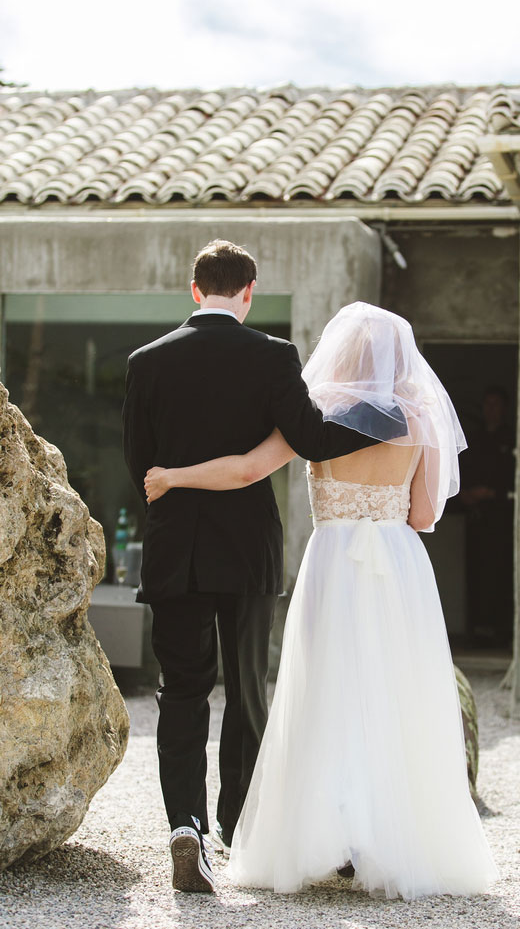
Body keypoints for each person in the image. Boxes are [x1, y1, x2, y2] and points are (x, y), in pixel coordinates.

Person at [144, 302, 498, 900]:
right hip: (397, 562)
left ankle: (327, 835)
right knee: (394, 693)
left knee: (326, 693)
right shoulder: (417, 416)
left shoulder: (316, 416)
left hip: (333, 561)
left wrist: (174, 476)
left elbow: (247, 471)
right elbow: (424, 513)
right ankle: (384, 841)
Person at [122, 241, 387, 894]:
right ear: (249, 291)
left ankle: (185, 828)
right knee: (247, 692)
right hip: (247, 550)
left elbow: (142, 469)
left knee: (181, 691)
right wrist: (384, 417)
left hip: (175, 550)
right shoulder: (273, 357)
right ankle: (236, 829)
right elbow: (315, 438)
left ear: (193, 290)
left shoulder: (145, 362)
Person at [459, 386, 515, 648]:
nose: (491, 409)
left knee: (501, 574)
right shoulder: (473, 440)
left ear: (504, 408)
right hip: (476, 520)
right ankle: (476, 632)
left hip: (502, 521)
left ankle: (501, 633)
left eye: (496, 404)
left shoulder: (512, 440)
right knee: (476, 573)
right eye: (487, 404)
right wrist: (467, 496)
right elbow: (459, 476)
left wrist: (492, 493)